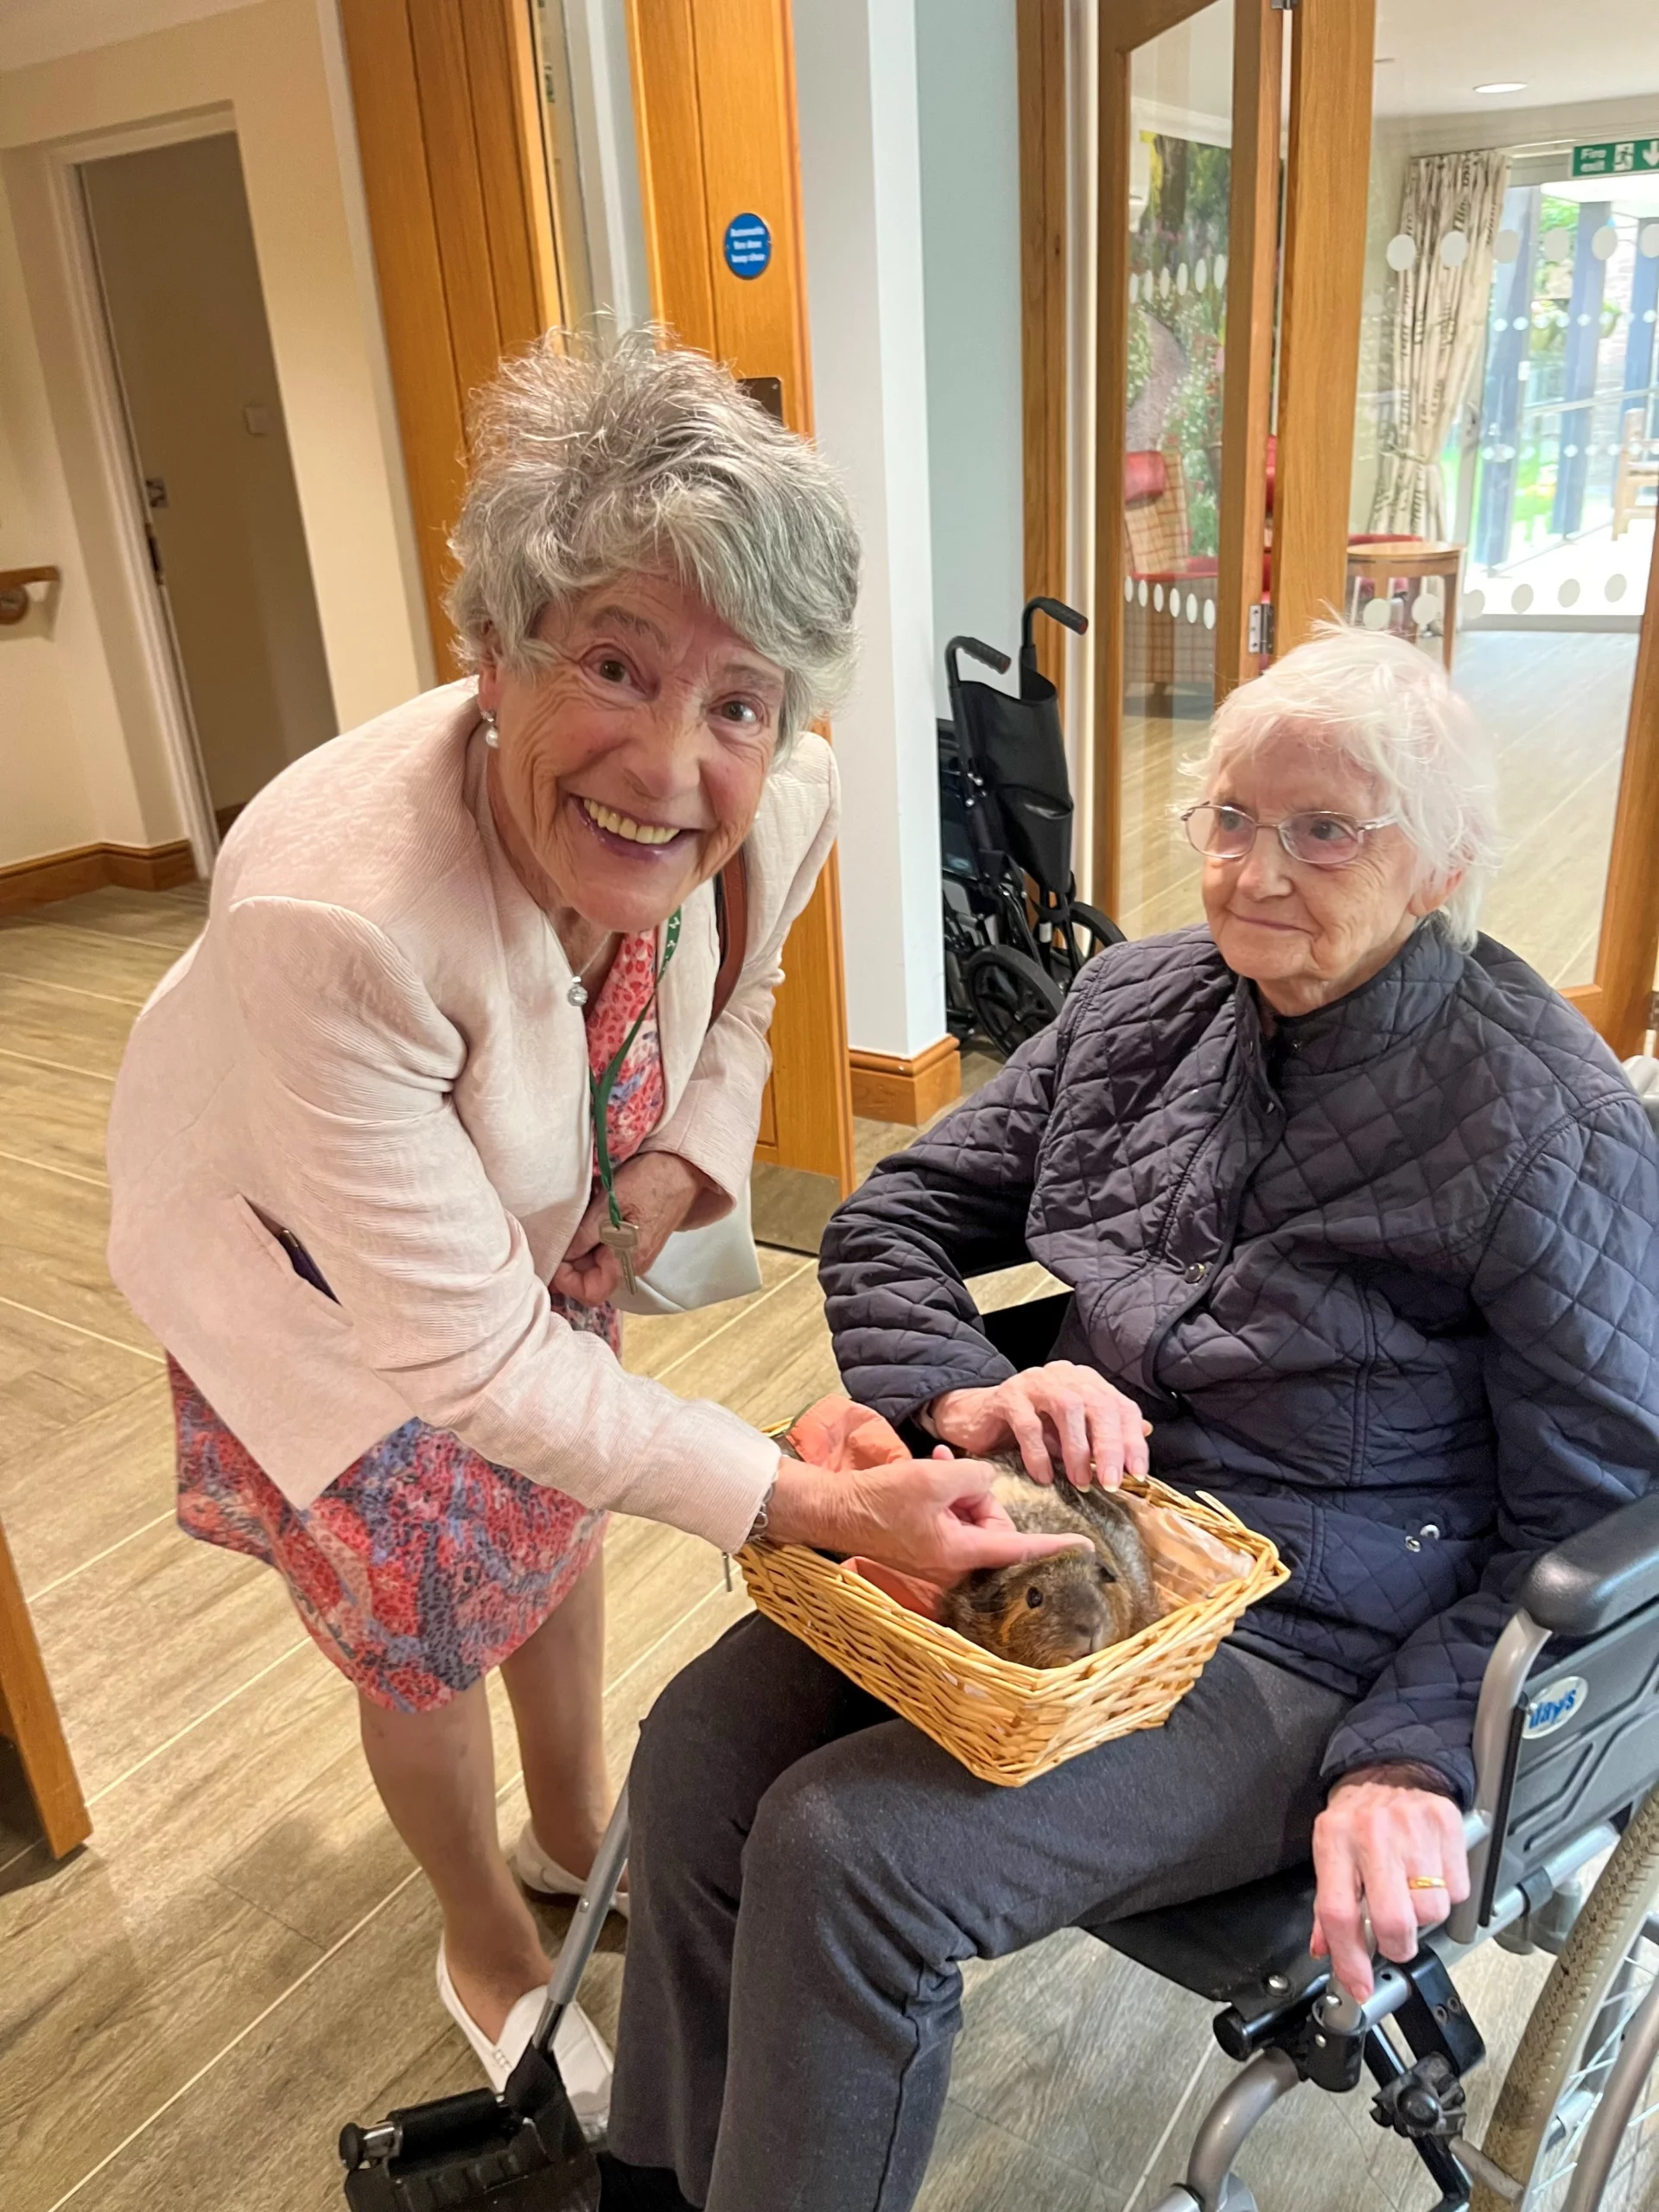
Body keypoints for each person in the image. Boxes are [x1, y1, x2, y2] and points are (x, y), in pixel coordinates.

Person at [104, 333, 1080, 2116]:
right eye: (613, 663)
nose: (673, 761)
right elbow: (471, 1361)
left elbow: (747, 983)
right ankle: (481, 1928)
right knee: (420, 1611)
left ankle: (568, 1826)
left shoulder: (784, 784)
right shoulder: (337, 915)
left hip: (542, 1209)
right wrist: (808, 1503)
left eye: (737, 699)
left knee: (553, 1518)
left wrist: (677, 1163)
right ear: (494, 652)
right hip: (321, 1263)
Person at [600, 626, 1659, 2212]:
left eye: (1324, 830)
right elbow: (894, 1219)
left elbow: (1595, 1511)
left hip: (1306, 1639)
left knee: (849, 1853)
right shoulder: (1139, 1003)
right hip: (1057, 1541)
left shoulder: (1545, 1122)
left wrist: (1413, 1757)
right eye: (1230, 817)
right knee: (698, 1749)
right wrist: (967, 1384)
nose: (1253, 870)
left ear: (1441, 868)